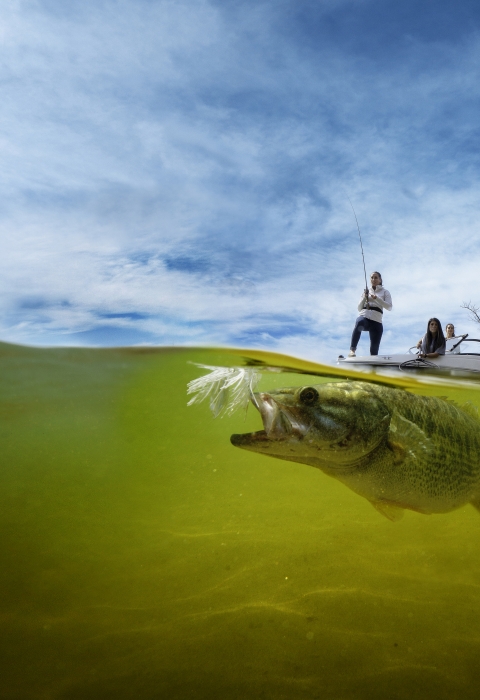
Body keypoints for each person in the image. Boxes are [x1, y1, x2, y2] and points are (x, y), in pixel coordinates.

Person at [348, 271, 392, 357]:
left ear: (380, 279)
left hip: (377, 321)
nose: (373, 279)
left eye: (376, 277)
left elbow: (389, 307)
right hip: (365, 317)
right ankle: (352, 350)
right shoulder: (366, 292)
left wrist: (377, 299)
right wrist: (365, 297)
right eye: (372, 278)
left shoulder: (385, 292)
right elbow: (359, 308)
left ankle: (373, 362)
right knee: (359, 322)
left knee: (374, 351)